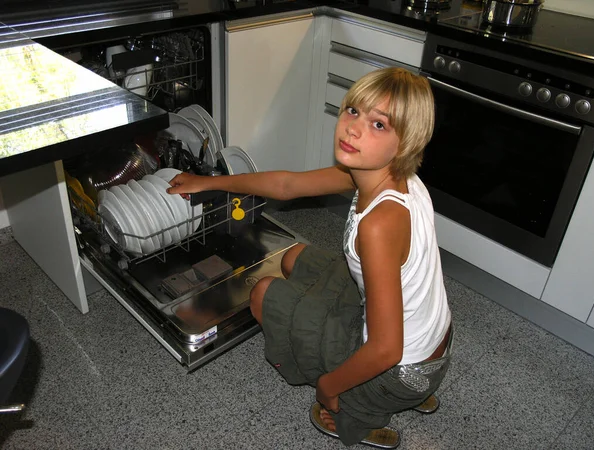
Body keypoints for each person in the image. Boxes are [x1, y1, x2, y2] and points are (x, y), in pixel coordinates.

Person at [167, 67, 452, 448]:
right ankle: (403, 390)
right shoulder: (391, 177)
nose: (353, 128)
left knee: (264, 294)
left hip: (402, 370)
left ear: (405, 143)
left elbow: (387, 348)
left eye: (379, 124)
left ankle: (365, 410)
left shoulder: (380, 225)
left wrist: (329, 387)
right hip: (433, 343)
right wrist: (209, 182)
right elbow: (287, 185)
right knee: (292, 257)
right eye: (353, 110)